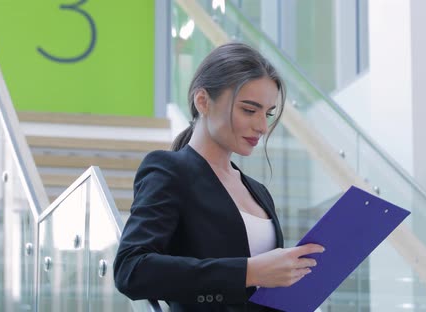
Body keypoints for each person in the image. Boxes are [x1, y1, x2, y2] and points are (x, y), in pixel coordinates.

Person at [113, 42, 325, 311]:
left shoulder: (259, 192)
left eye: (268, 113)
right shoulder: (169, 170)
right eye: (249, 110)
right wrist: (249, 272)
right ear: (203, 101)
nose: (261, 126)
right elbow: (131, 269)